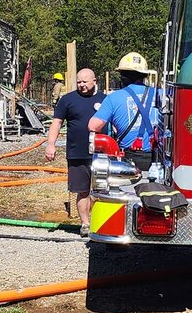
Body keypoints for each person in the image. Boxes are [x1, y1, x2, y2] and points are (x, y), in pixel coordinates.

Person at [44, 68, 101, 236]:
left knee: (102, 191)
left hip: (101, 153)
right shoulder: (67, 100)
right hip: (77, 153)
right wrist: (51, 144)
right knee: (82, 190)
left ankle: (101, 222)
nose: (81, 85)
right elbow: (56, 123)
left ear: (94, 81)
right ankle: (85, 223)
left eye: (85, 81)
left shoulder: (104, 99)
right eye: (79, 82)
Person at [89, 52, 160, 173]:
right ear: (144, 75)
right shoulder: (160, 94)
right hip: (159, 159)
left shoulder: (113, 98)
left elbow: (93, 126)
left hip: (129, 161)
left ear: (123, 76)